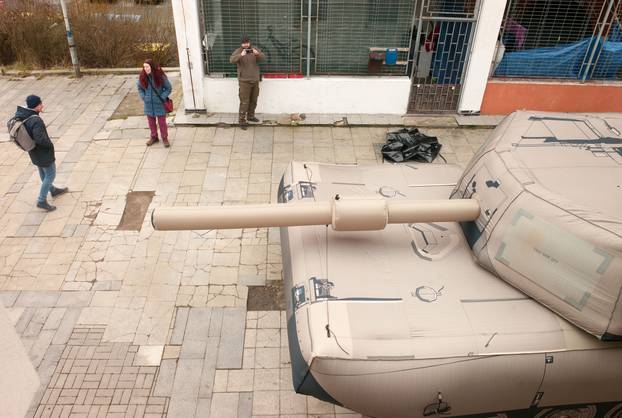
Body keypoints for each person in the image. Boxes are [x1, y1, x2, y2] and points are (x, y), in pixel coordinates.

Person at [13, 95, 68, 212]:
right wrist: (50, 145)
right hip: (43, 152)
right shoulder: (36, 120)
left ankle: (52, 190)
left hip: (33, 150)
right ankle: (41, 200)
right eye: (40, 104)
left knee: (43, 172)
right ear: (36, 106)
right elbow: (40, 139)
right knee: (50, 175)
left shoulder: (23, 114)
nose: (42, 105)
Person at [229, 35, 265, 130]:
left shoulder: (254, 49)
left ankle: (251, 116)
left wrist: (257, 54)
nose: (246, 45)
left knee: (254, 100)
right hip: (244, 81)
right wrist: (241, 55)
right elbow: (231, 60)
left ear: (249, 42)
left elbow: (263, 57)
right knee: (244, 102)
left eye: (247, 42)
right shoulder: (238, 51)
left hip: (255, 80)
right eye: (244, 43)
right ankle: (242, 121)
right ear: (241, 43)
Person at [137, 59, 172, 147]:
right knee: (151, 122)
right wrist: (144, 97)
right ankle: (154, 137)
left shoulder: (160, 76)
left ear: (151, 66)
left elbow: (169, 88)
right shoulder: (142, 76)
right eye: (144, 67)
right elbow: (139, 87)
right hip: (148, 104)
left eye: (147, 67)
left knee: (162, 123)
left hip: (159, 104)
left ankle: (164, 138)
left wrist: (162, 97)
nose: (145, 69)